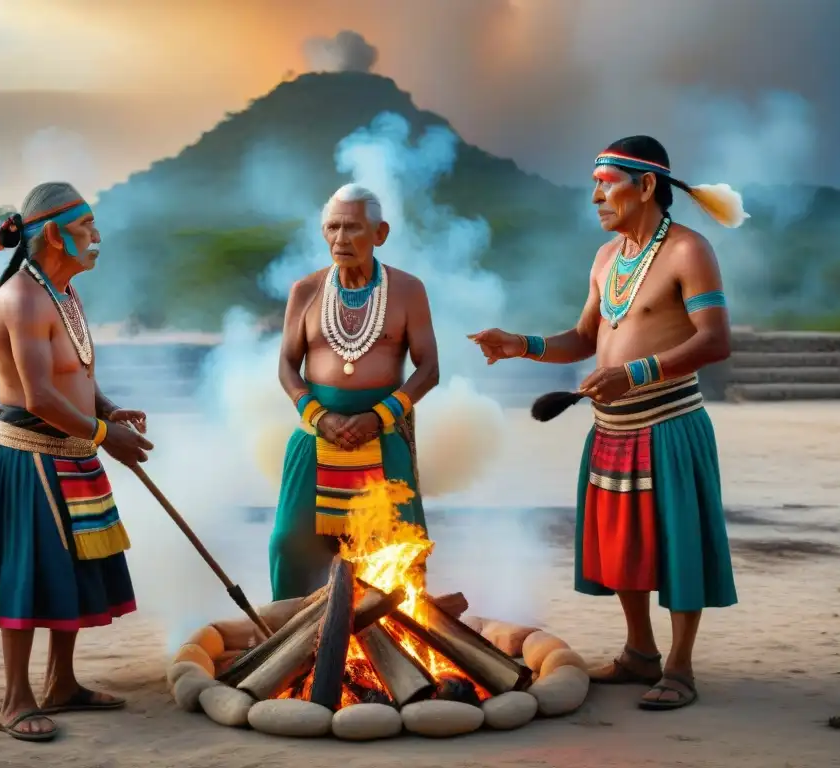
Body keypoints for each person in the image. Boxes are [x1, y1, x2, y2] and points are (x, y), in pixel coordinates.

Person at [469, 136, 746, 711]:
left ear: (646, 186)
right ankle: (639, 652)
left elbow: (715, 340)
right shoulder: (606, 259)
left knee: (676, 543)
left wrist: (637, 373)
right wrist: (519, 344)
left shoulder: (689, 252)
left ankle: (679, 666)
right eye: (594, 183)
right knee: (625, 545)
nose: (595, 195)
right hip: (611, 428)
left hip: (668, 423)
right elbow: (583, 340)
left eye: (606, 183)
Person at [0, 182, 155, 742]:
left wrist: (108, 409)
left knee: (71, 570)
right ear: (53, 235)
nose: (97, 236)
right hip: (31, 456)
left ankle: (61, 682)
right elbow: (39, 395)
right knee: (28, 573)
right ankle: (15, 700)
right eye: (87, 226)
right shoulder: (21, 297)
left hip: (75, 448)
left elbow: (76, 371)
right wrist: (103, 435)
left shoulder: (63, 292)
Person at [270, 183, 439, 600]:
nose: (341, 239)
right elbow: (287, 366)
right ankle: (298, 644)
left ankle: (396, 643)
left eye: (353, 228)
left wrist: (378, 416)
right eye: (332, 228)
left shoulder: (407, 290)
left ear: (380, 233)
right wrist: (319, 417)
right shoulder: (306, 291)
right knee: (290, 544)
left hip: (382, 437)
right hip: (316, 437)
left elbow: (429, 369)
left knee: (398, 548)